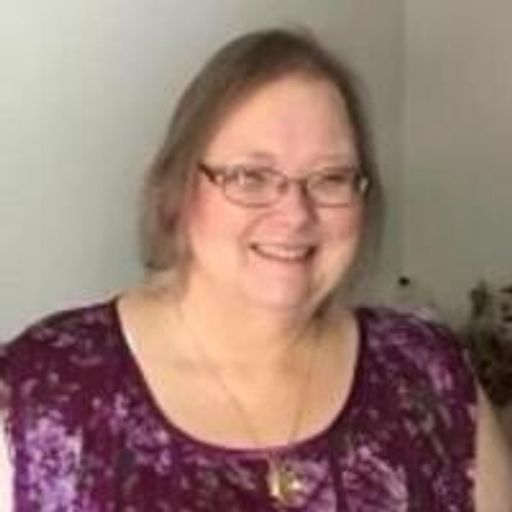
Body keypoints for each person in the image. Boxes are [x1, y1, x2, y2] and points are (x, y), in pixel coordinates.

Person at [1, 27, 511, 511]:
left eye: (331, 178)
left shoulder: (429, 375)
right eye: (251, 176)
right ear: (178, 189)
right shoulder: (42, 391)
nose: (296, 214)